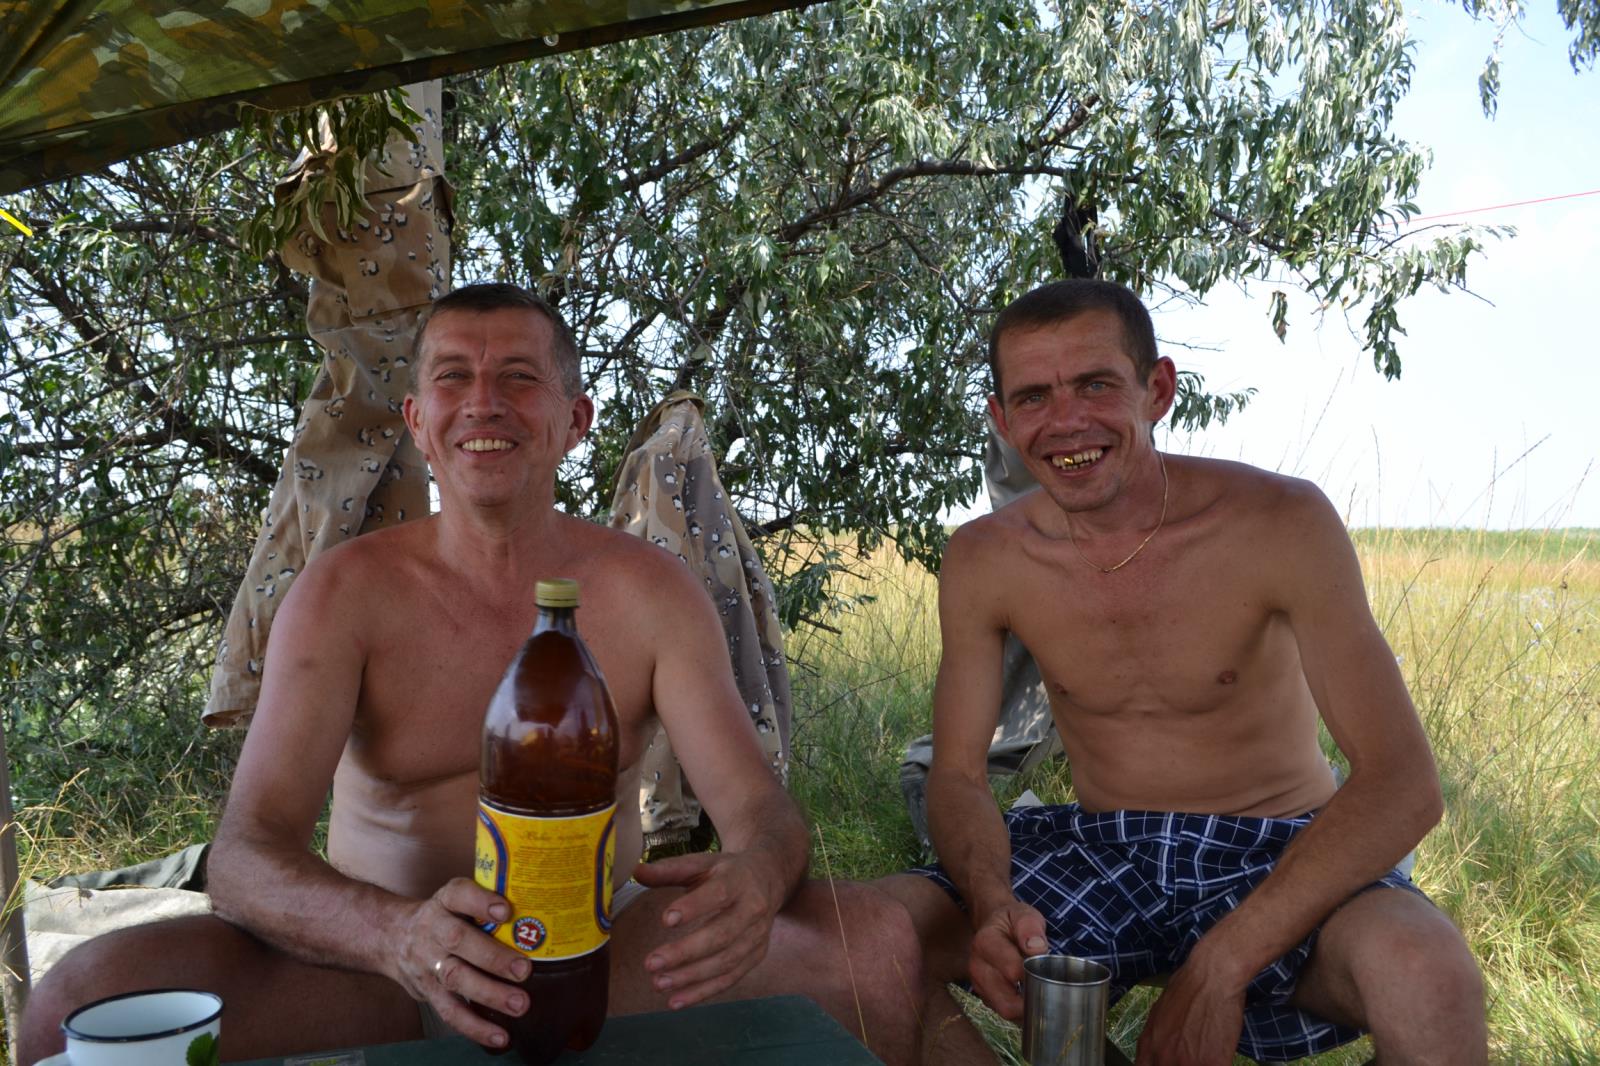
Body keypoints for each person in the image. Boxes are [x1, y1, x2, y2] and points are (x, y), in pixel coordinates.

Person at [20, 284, 922, 1065]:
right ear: (418, 421)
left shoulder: (652, 592)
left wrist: (758, 875)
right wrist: (398, 936)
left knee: (875, 944)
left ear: (575, 421)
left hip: (595, 956)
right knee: (76, 1004)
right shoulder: (344, 594)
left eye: (519, 378)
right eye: (453, 377)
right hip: (373, 970)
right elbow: (246, 859)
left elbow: (761, 811)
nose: (483, 404)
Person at [880, 279, 1485, 1065]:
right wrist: (994, 903)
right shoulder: (984, 558)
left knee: (1430, 976)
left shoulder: (1280, 521)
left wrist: (1220, 966)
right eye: (1032, 397)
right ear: (1001, 419)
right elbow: (958, 776)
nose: (1066, 421)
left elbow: (1404, 784)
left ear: (1157, 390)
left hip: (1276, 847)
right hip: (1104, 852)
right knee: (862, 939)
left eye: (1095, 385)